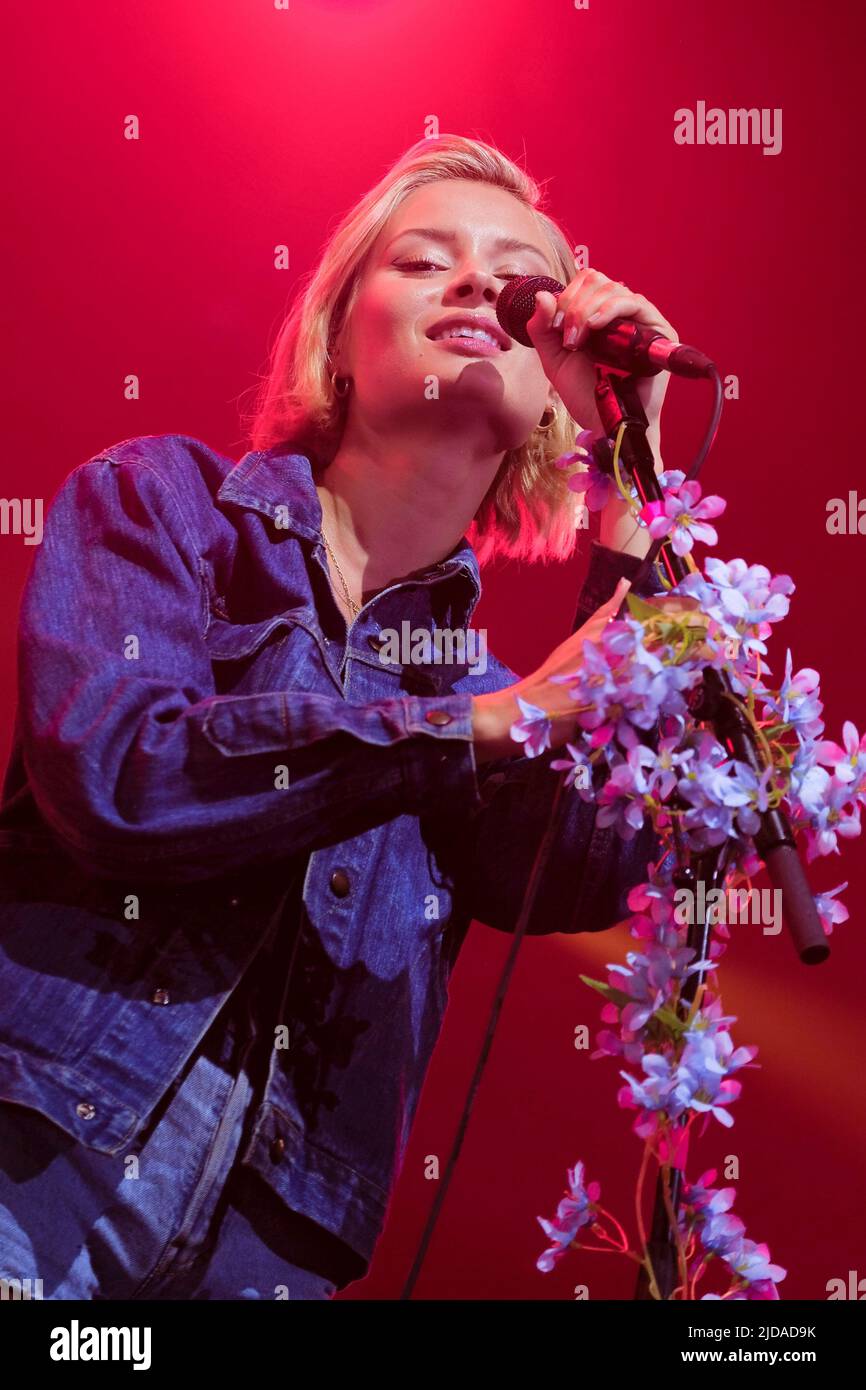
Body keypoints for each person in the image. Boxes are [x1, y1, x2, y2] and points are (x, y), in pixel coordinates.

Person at [0, 133, 677, 1300]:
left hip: (267, 1257)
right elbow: (118, 772)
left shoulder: (480, 693)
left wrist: (631, 482)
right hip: (34, 1169)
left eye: (522, 279)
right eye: (425, 261)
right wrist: (475, 731)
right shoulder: (163, 506)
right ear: (339, 338)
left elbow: (581, 862)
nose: (478, 284)